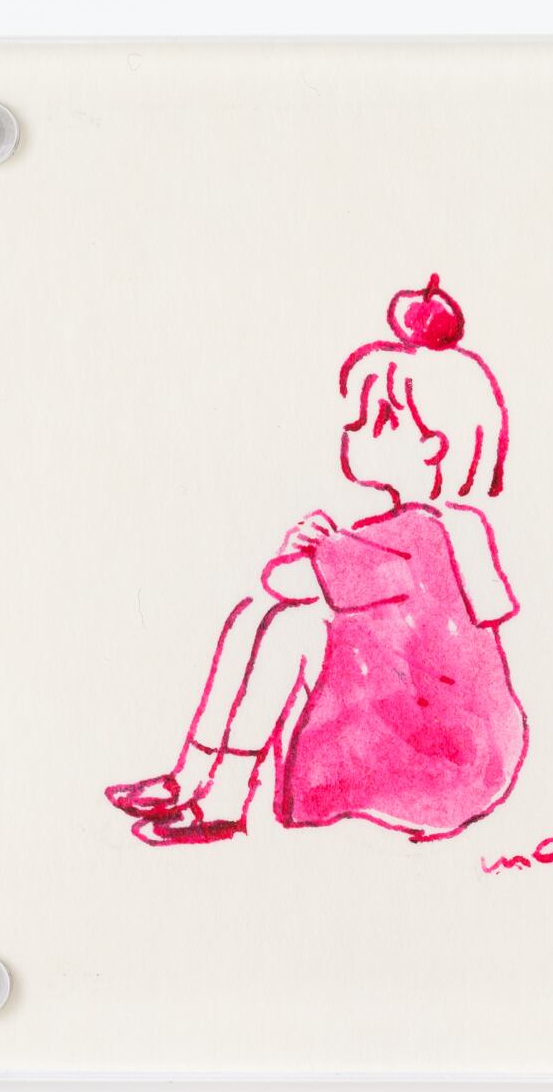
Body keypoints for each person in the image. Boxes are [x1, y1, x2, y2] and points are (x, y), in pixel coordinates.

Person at [105, 275, 527, 845]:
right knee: (263, 619)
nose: (354, 429)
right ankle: (193, 777)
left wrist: (301, 546)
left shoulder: (409, 538)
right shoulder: (456, 528)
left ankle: (220, 794)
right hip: (465, 743)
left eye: (380, 419)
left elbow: (285, 581)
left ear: (434, 445)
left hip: (435, 756)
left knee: (288, 626)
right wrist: (323, 551)